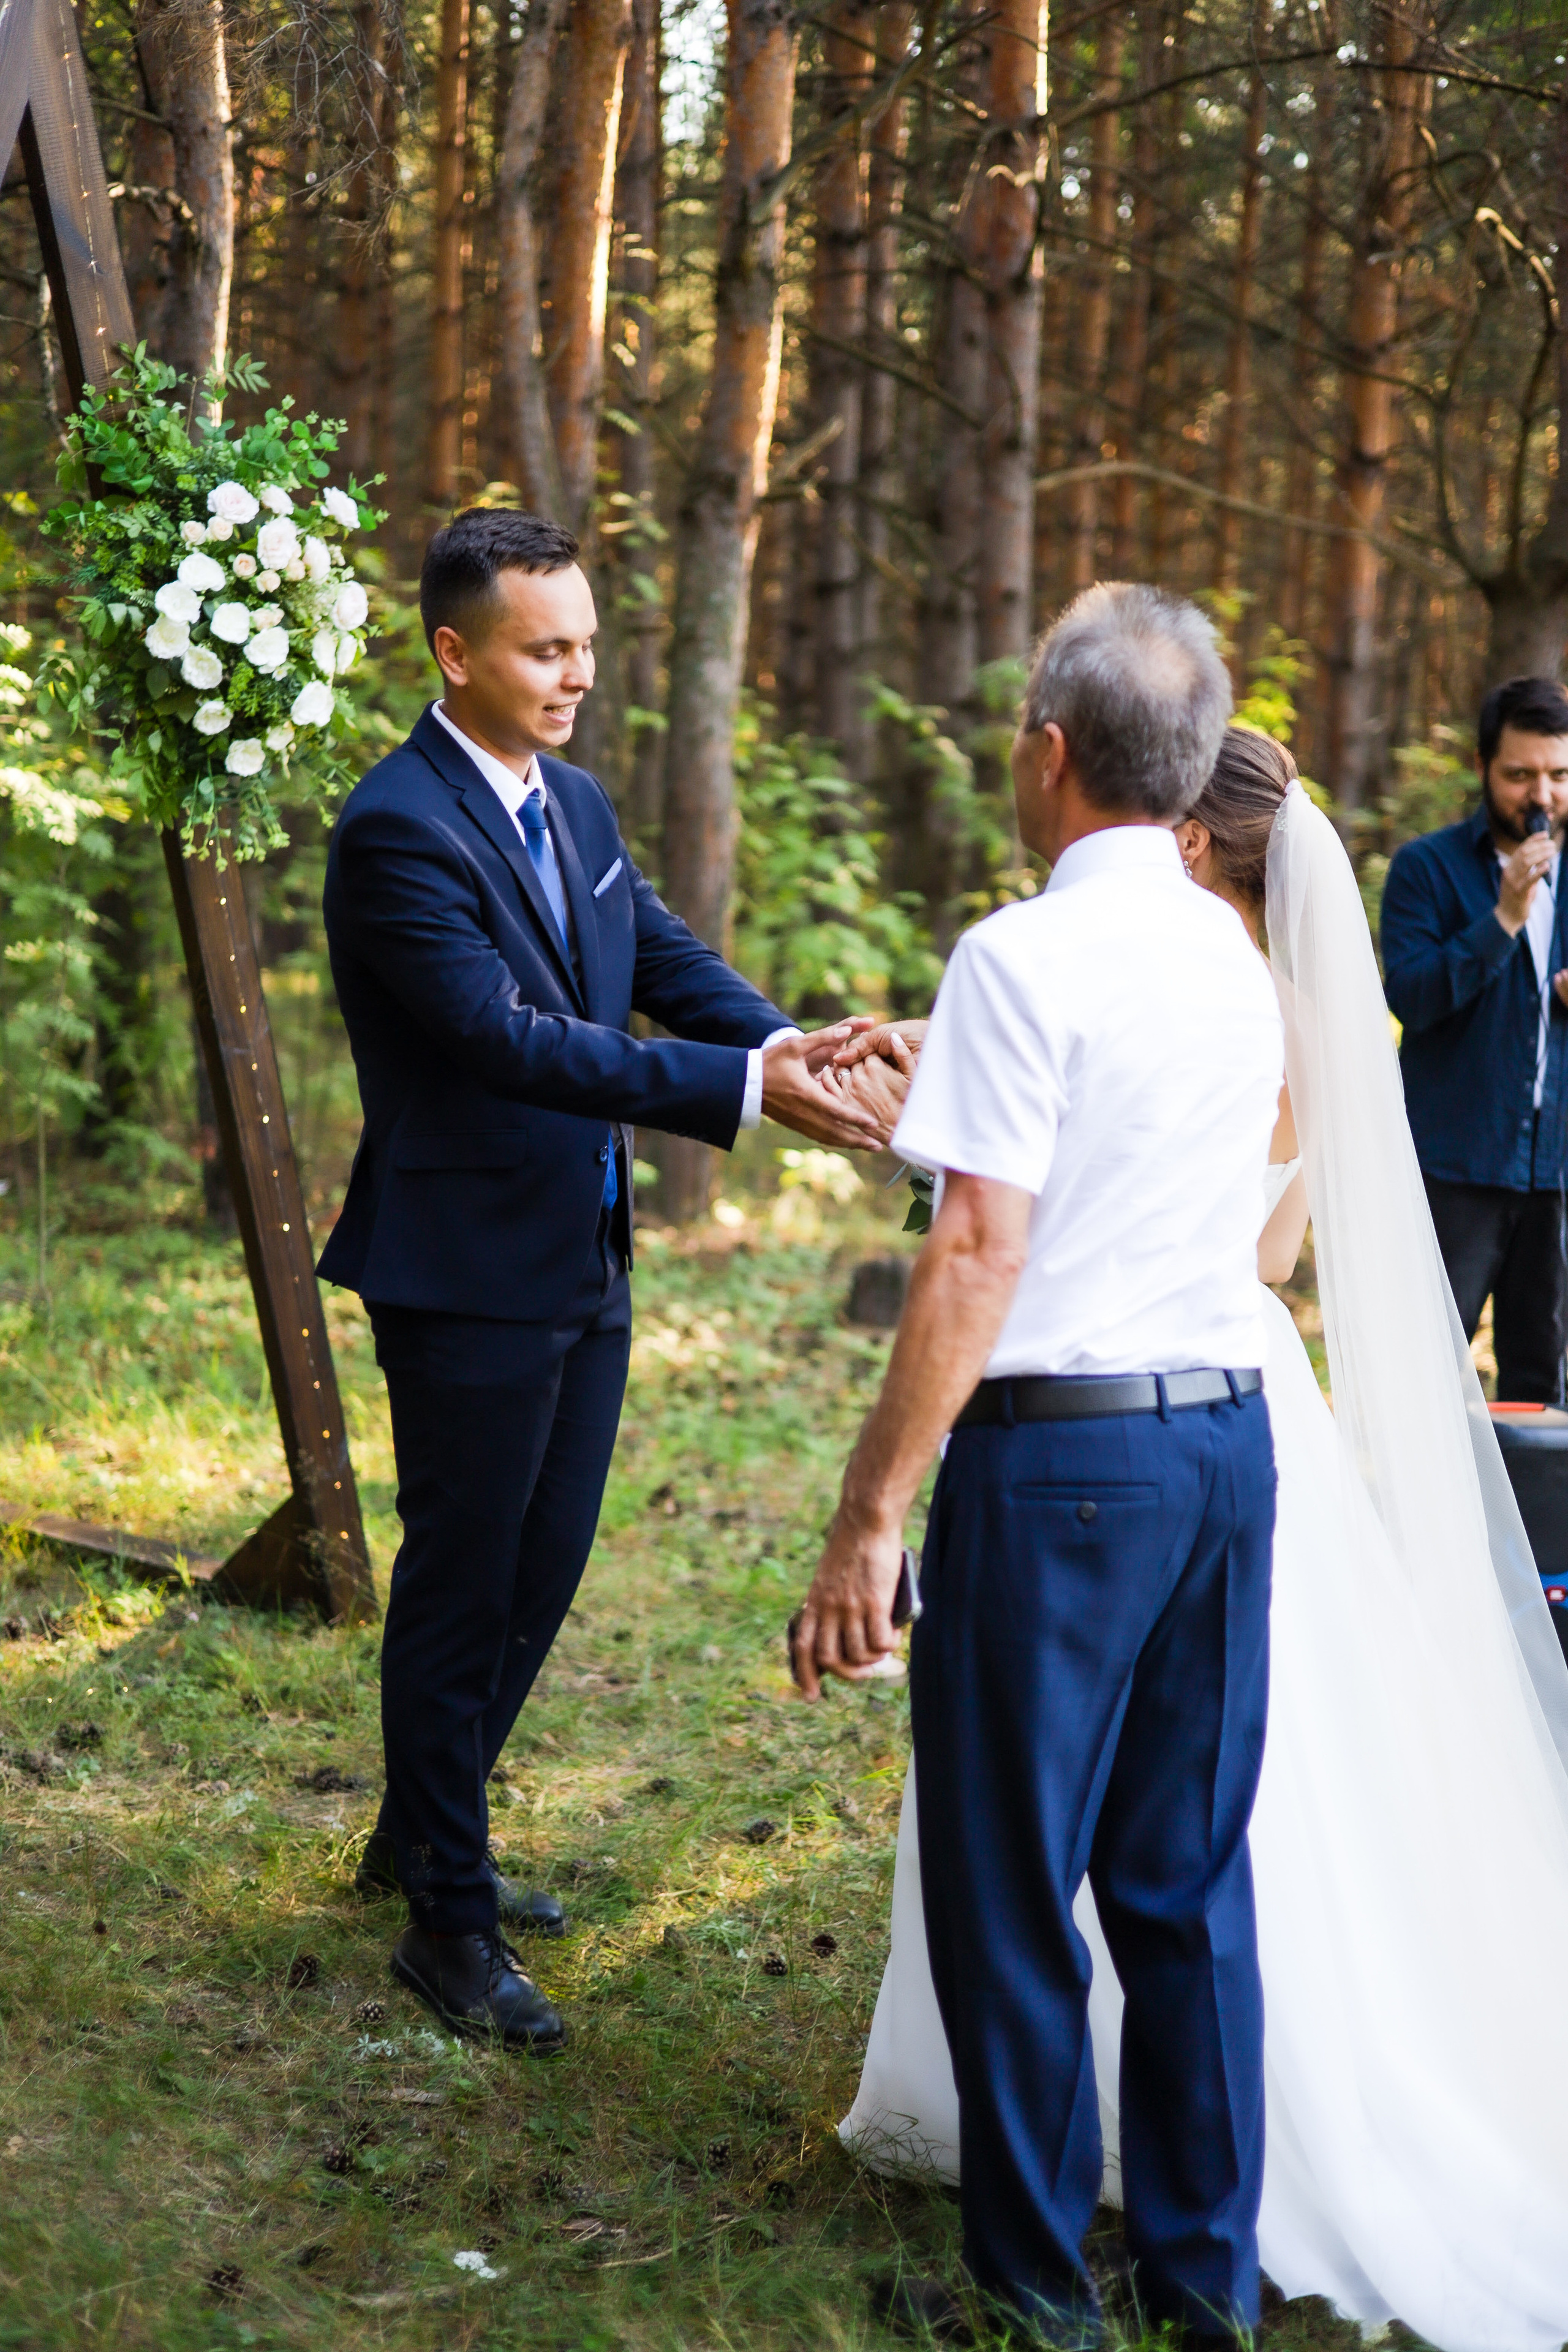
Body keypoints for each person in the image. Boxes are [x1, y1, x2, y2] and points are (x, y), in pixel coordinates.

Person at [839, 728, 1568, 2352]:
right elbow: (1263, 1247)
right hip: (1241, 1416)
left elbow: (1017, 1227)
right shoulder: (1285, 1008)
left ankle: (1042, 2255)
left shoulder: (1093, 974)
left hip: (1082, 1421)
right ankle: (1206, 2245)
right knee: (1218, 1852)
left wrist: (928, 1136)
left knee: (1033, 1837)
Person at [318, 507, 888, 2050]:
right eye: (545, 648)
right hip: (462, 1264)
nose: (578, 673)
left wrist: (786, 1039)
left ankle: (422, 1834)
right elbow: (507, 1036)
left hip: (581, 1245)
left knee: (543, 1568)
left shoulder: (570, 800)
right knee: (462, 1584)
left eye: (584, 643)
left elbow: (653, 948)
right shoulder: (393, 829)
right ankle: (448, 1918)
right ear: (454, 650)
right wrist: (744, 1097)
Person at [792, 585, 1284, 2345]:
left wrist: (868, 1517)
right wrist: (935, 1091)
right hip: (1225, 1450)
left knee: (1009, 1885)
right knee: (1184, 1881)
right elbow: (1121, 1154)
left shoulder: (1019, 955)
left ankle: (1032, 2297)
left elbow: (984, 1256)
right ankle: (1202, 2280)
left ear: (1051, 755)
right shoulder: (1228, 954)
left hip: (1061, 1470)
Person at [1382, 675, 1568, 1401]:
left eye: (1558, 776)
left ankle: (1536, 1520)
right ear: (1483, 769)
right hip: (1450, 1170)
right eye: (1520, 776)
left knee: (1540, 1390)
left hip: (1553, 1176)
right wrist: (1504, 917)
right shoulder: (1425, 870)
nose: (1541, 797)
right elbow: (1413, 997)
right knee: (1422, 1382)